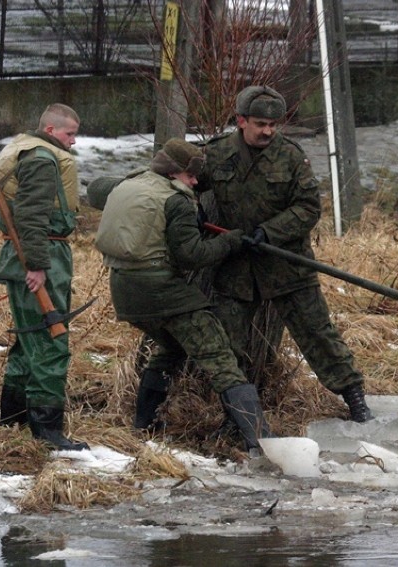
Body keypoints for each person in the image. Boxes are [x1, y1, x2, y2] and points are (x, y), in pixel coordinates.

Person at [196, 85, 374, 423]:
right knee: (227, 344)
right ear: (241, 121)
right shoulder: (216, 155)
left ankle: (355, 399)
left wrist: (270, 232)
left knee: (318, 333)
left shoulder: (291, 157)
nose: (268, 131)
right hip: (236, 267)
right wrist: (192, 212)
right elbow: (183, 182)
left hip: (286, 263)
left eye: (274, 125)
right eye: (261, 124)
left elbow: (308, 208)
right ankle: (237, 415)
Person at [93, 138, 272, 453]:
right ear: (176, 173)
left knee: (171, 347)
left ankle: (143, 424)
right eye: (192, 177)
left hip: (125, 291)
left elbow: (95, 189)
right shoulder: (176, 201)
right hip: (161, 289)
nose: (195, 184)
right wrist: (231, 242)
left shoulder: (130, 184)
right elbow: (191, 255)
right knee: (219, 356)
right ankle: (260, 442)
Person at [0, 103, 89, 450]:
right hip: (40, 253)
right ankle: (46, 429)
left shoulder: (28, 149)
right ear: (50, 131)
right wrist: (36, 264)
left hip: (33, 252)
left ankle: (14, 417)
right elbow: (32, 214)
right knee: (50, 340)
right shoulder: (42, 159)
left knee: (28, 340)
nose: (73, 142)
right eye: (70, 134)